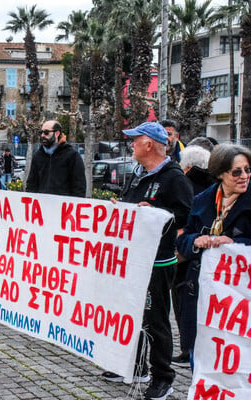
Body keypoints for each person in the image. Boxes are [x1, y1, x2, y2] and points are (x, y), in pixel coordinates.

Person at [102, 122, 193, 400]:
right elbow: (136, 205)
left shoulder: (173, 177)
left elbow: (185, 216)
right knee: (132, 313)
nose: (131, 145)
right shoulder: (141, 174)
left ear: (149, 144)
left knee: (155, 319)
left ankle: (163, 377)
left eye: (135, 140)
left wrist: (155, 212)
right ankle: (136, 366)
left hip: (157, 261)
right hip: (134, 257)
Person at [176, 144, 251, 370]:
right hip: (203, 295)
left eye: (247, 170)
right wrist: (196, 241)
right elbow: (184, 239)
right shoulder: (202, 200)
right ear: (220, 173)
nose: (244, 176)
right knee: (200, 360)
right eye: (236, 172)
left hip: (240, 299)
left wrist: (237, 244)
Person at [171, 145, 215, 367]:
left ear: (187, 166)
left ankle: (188, 347)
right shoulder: (211, 186)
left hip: (188, 254)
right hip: (202, 257)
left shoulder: (188, 184)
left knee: (183, 300)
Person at [26, 120, 85, 197]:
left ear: (57, 133)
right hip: (41, 206)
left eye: (46, 133)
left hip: (64, 207)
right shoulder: (38, 156)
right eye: (41, 132)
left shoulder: (72, 156)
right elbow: (31, 184)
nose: (43, 135)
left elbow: (79, 186)